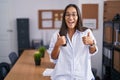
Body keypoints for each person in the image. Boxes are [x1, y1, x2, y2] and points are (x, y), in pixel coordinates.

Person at [47, 4, 98, 80]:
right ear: (64, 17)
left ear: (78, 17)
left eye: (74, 15)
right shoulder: (57, 35)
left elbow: (93, 51)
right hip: (62, 77)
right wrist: (57, 45)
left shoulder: (86, 32)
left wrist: (91, 43)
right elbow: (53, 57)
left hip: (83, 77)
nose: (70, 18)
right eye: (67, 15)